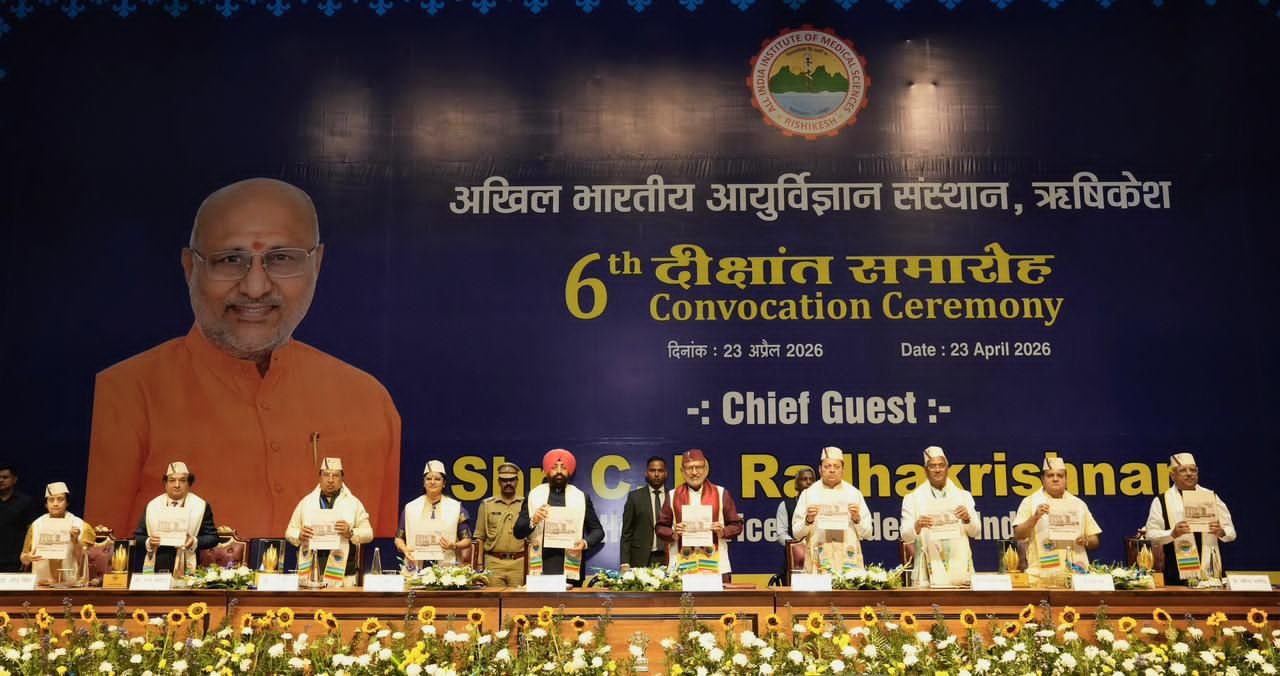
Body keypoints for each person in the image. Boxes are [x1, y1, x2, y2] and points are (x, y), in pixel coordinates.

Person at [86, 177, 401, 539]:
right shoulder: (125, 393)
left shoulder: (368, 401)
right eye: (230, 260)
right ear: (190, 268)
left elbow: (378, 557)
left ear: (317, 264)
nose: (255, 288)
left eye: (281, 258)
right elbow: (95, 555)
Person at [513, 449, 604, 585]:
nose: (559, 471)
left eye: (564, 467)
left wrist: (585, 543)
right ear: (546, 471)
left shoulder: (581, 497)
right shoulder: (534, 496)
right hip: (541, 567)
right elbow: (518, 532)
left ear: (570, 472)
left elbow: (598, 531)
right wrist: (533, 520)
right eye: (554, 467)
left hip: (571, 568)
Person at [1144, 451, 1236, 584]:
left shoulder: (1211, 496)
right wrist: (1172, 533)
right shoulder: (1162, 500)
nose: (1189, 474)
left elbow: (1231, 532)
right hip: (1176, 573)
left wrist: (1222, 532)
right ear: (1172, 475)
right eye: (1183, 470)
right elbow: (1151, 535)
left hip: (1210, 572)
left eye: (1193, 470)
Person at [1012, 455, 1101, 585]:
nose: (1055, 479)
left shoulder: (1078, 504)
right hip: (1041, 576)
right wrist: (1035, 517)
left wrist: (1086, 540)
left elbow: (1095, 541)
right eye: (1050, 475)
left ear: (1066, 479)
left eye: (1060, 475)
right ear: (1042, 479)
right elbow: (1018, 535)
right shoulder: (1030, 502)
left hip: (1075, 574)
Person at [656, 449, 744, 579]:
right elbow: (660, 527)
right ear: (682, 471)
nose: (694, 472)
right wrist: (673, 533)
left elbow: (737, 525)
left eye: (698, 467)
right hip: (681, 563)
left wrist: (722, 531)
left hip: (716, 563)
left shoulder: (721, 493)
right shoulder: (672, 495)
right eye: (689, 468)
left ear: (706, 469)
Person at [285, 457, 373, 587]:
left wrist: (350, 532)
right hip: (312, 572)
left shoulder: (353, 503)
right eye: (326, 475)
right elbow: (289, 532)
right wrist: (299, 534)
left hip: (343, 575)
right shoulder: (306, 502)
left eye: (335, 475)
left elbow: (369, 533)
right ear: (319, 478)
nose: (330, 480)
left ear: (342, 479)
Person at [900, 446, 980, 586]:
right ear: (926, 470)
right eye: (932, 466)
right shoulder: (912, 499)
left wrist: (967, 519)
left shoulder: (963, 496)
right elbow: (905, 536)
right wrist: (917, 526)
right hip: (927, 569)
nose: (937, 469)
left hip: (959, 565)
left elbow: (976, 531)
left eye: (941, 465)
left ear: (947, 468)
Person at [792, 446, 872, 574]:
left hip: (848, 560)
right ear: (820, 469)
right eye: (827, 466)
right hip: (818, 561)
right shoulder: (808, 494)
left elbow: (868, 533)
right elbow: (796, 533)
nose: (832, 470)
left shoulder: (854, 494)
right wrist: (808, 520)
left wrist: (857, 520)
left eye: (836, 466)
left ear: (843, 470)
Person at [133, 461, 218, 575]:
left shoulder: (200, 506)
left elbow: (213, 538)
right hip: (157, 565)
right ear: (165, 483)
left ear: (189, 483)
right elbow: (138, 538)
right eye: (172, 480)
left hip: (188, 565)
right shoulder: (153, 505)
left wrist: (194, 541)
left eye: (182, 480)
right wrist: (149, 541)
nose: (177, 485)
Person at [395, 460, 472, 569]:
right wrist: (405, 549)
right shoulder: (411, 507)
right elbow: (398, 538)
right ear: (424, 483)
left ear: (444, 483)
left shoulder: (456, 507)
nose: (432, 482)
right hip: (415, 565)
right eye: (428, 479)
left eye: (437, 479)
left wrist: (454, 545)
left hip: (446, 568)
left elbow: (467, 540)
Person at [20, 482, 96, 584]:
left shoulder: (81, 526)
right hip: (42, 584)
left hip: (71, 585)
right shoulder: (36, 525)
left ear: (67, 503)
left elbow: (85, 561)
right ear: (46, 504)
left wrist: (75, 541)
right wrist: (28, 557)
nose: (55, 503)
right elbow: (24, 558)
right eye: (51, 500)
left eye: (60, 499)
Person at [475, 463, 527, 587]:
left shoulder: (525, 504)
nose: (508, 483)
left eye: (512, 480)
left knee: (518, 599)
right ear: (499, 481)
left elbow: (532, 538)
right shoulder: (487, 505)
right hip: (494, 563)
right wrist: (479, 565)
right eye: (504, 480)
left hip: (519, 563)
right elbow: (479, 537)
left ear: (517, 481)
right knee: (493, 599)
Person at [619, 456, 670, 569]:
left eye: (660, 470)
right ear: (646, 473)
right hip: (640, 559)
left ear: (666, 474)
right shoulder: (635, 497)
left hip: (668, 557)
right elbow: (627, 532)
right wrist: (624, 562)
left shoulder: (673, 496)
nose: (656, 474)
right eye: (652, 470)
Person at [0, 465, 42, 572]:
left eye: (5, 477)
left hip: (15, 559)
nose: (1, 480)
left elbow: (32, 530)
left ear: (14, 479)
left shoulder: (25, 502)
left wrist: (27, 554)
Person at [774, 466, 815, 576]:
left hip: (819, 556)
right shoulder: (785, 505)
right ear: (797, 483)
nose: (808, 482)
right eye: (804, 479)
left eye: (811, 479)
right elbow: (781, 534)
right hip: (795, 560)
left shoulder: (822, 504)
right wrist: (797, 546)